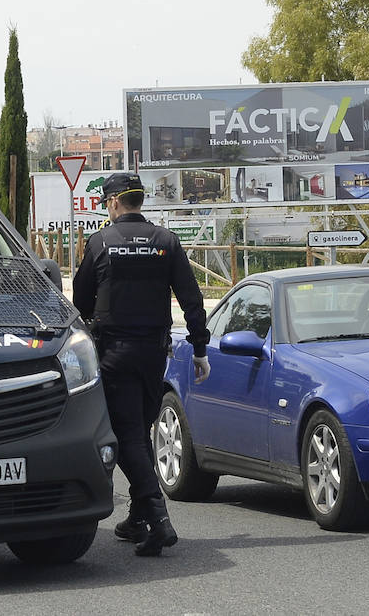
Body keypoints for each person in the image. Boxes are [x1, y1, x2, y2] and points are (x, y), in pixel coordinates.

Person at [71, 171, 211, 556]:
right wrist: (199, 347)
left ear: (114, 202)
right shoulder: (166, 241)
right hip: (154, 354)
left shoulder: (100, 243)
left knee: (128, 435)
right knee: (141, 430)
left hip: (114, 353)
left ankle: (159, 519)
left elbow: (80, 302)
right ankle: (138, 519)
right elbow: (191, 297)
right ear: (139, 201)